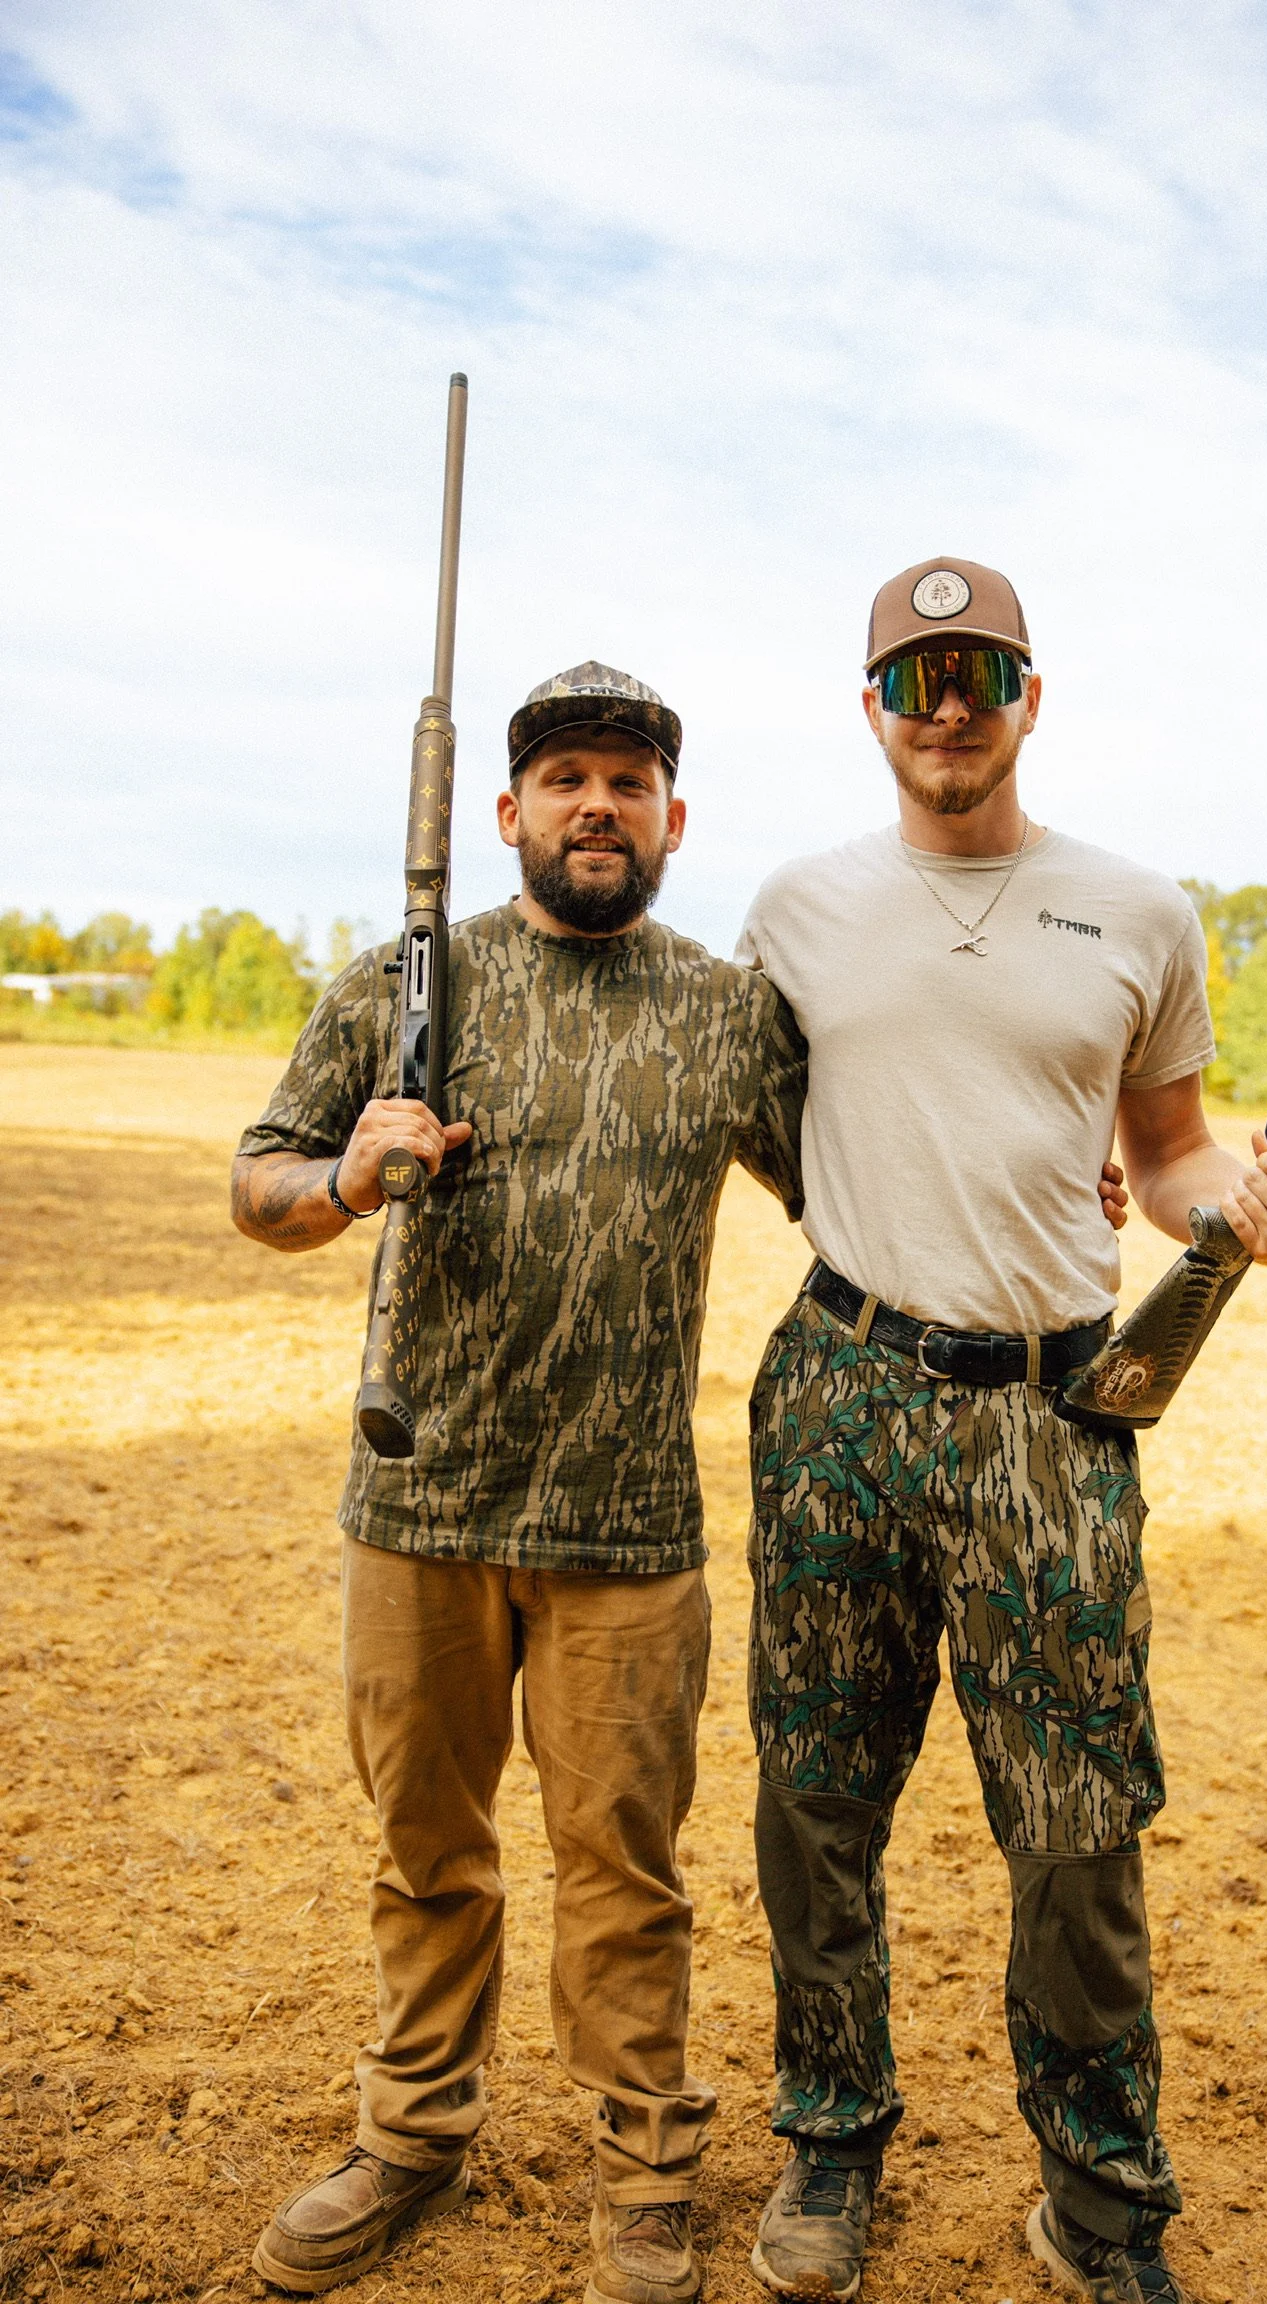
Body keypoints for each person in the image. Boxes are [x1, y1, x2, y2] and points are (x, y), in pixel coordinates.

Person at [735, 560, 1267, 2304]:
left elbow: (1169, 1156)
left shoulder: (1138, 912)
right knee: (816, 1798)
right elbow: (764, 1120)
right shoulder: (796, 908)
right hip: (839, 1395)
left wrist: (1266, 1214)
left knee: (1079, 1828)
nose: (949, 706)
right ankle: (831, 2143)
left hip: (1053, 1413)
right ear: (871, 710)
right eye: (915, 678)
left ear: (1029, 697)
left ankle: (1100, 2202)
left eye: (981, 673)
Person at [231, 664, 806, 2304]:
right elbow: (258, 1183)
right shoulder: (405, 983)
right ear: (507, 812)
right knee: (426, 1849)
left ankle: (646, 2174)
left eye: (630, 780)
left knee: (626, 1869)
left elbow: (855, 1182)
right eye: (566, 779)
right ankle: (411, 2137)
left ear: (674, 818)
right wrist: (350, 1177)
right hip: (418, 1510)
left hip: (629, 1530)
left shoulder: (730, 1010)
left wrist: (1054, 1171)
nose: (598, 805)